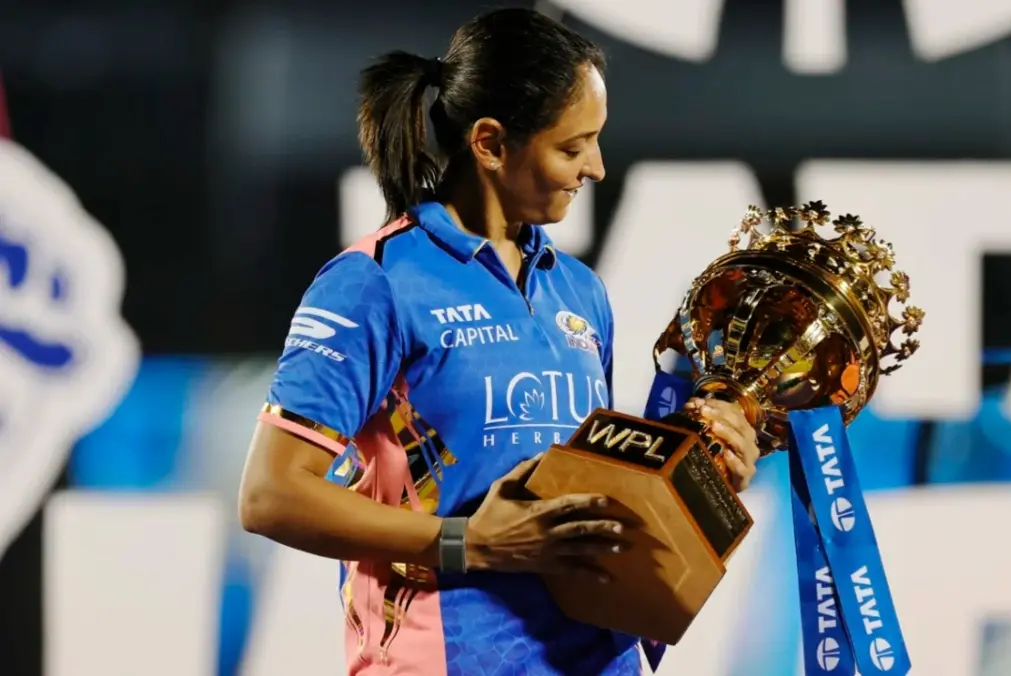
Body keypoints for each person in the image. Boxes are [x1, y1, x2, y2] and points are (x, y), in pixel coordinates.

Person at [237, 8, 762, 675]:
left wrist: (703, 483)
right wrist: (466, 544)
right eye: (573, 147)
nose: (596, 167)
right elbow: (270, 494)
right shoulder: (374, 282)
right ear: (490, 143)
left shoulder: (580, 291)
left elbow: (585, 506)